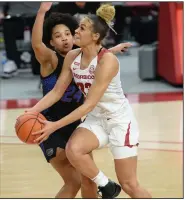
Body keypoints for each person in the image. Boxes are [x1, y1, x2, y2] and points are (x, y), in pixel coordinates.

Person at [30, 2, 131, 198]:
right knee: (74, 181)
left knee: (88, 178)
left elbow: (96, 50)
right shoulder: (51, 59)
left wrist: (113, 50)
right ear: (51, 42)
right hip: (51, 125)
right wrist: (42, 11)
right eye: (58, 36)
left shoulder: (81, 57)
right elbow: (36, 44)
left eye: (68, 33)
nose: (65, 39)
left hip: (77, 122)